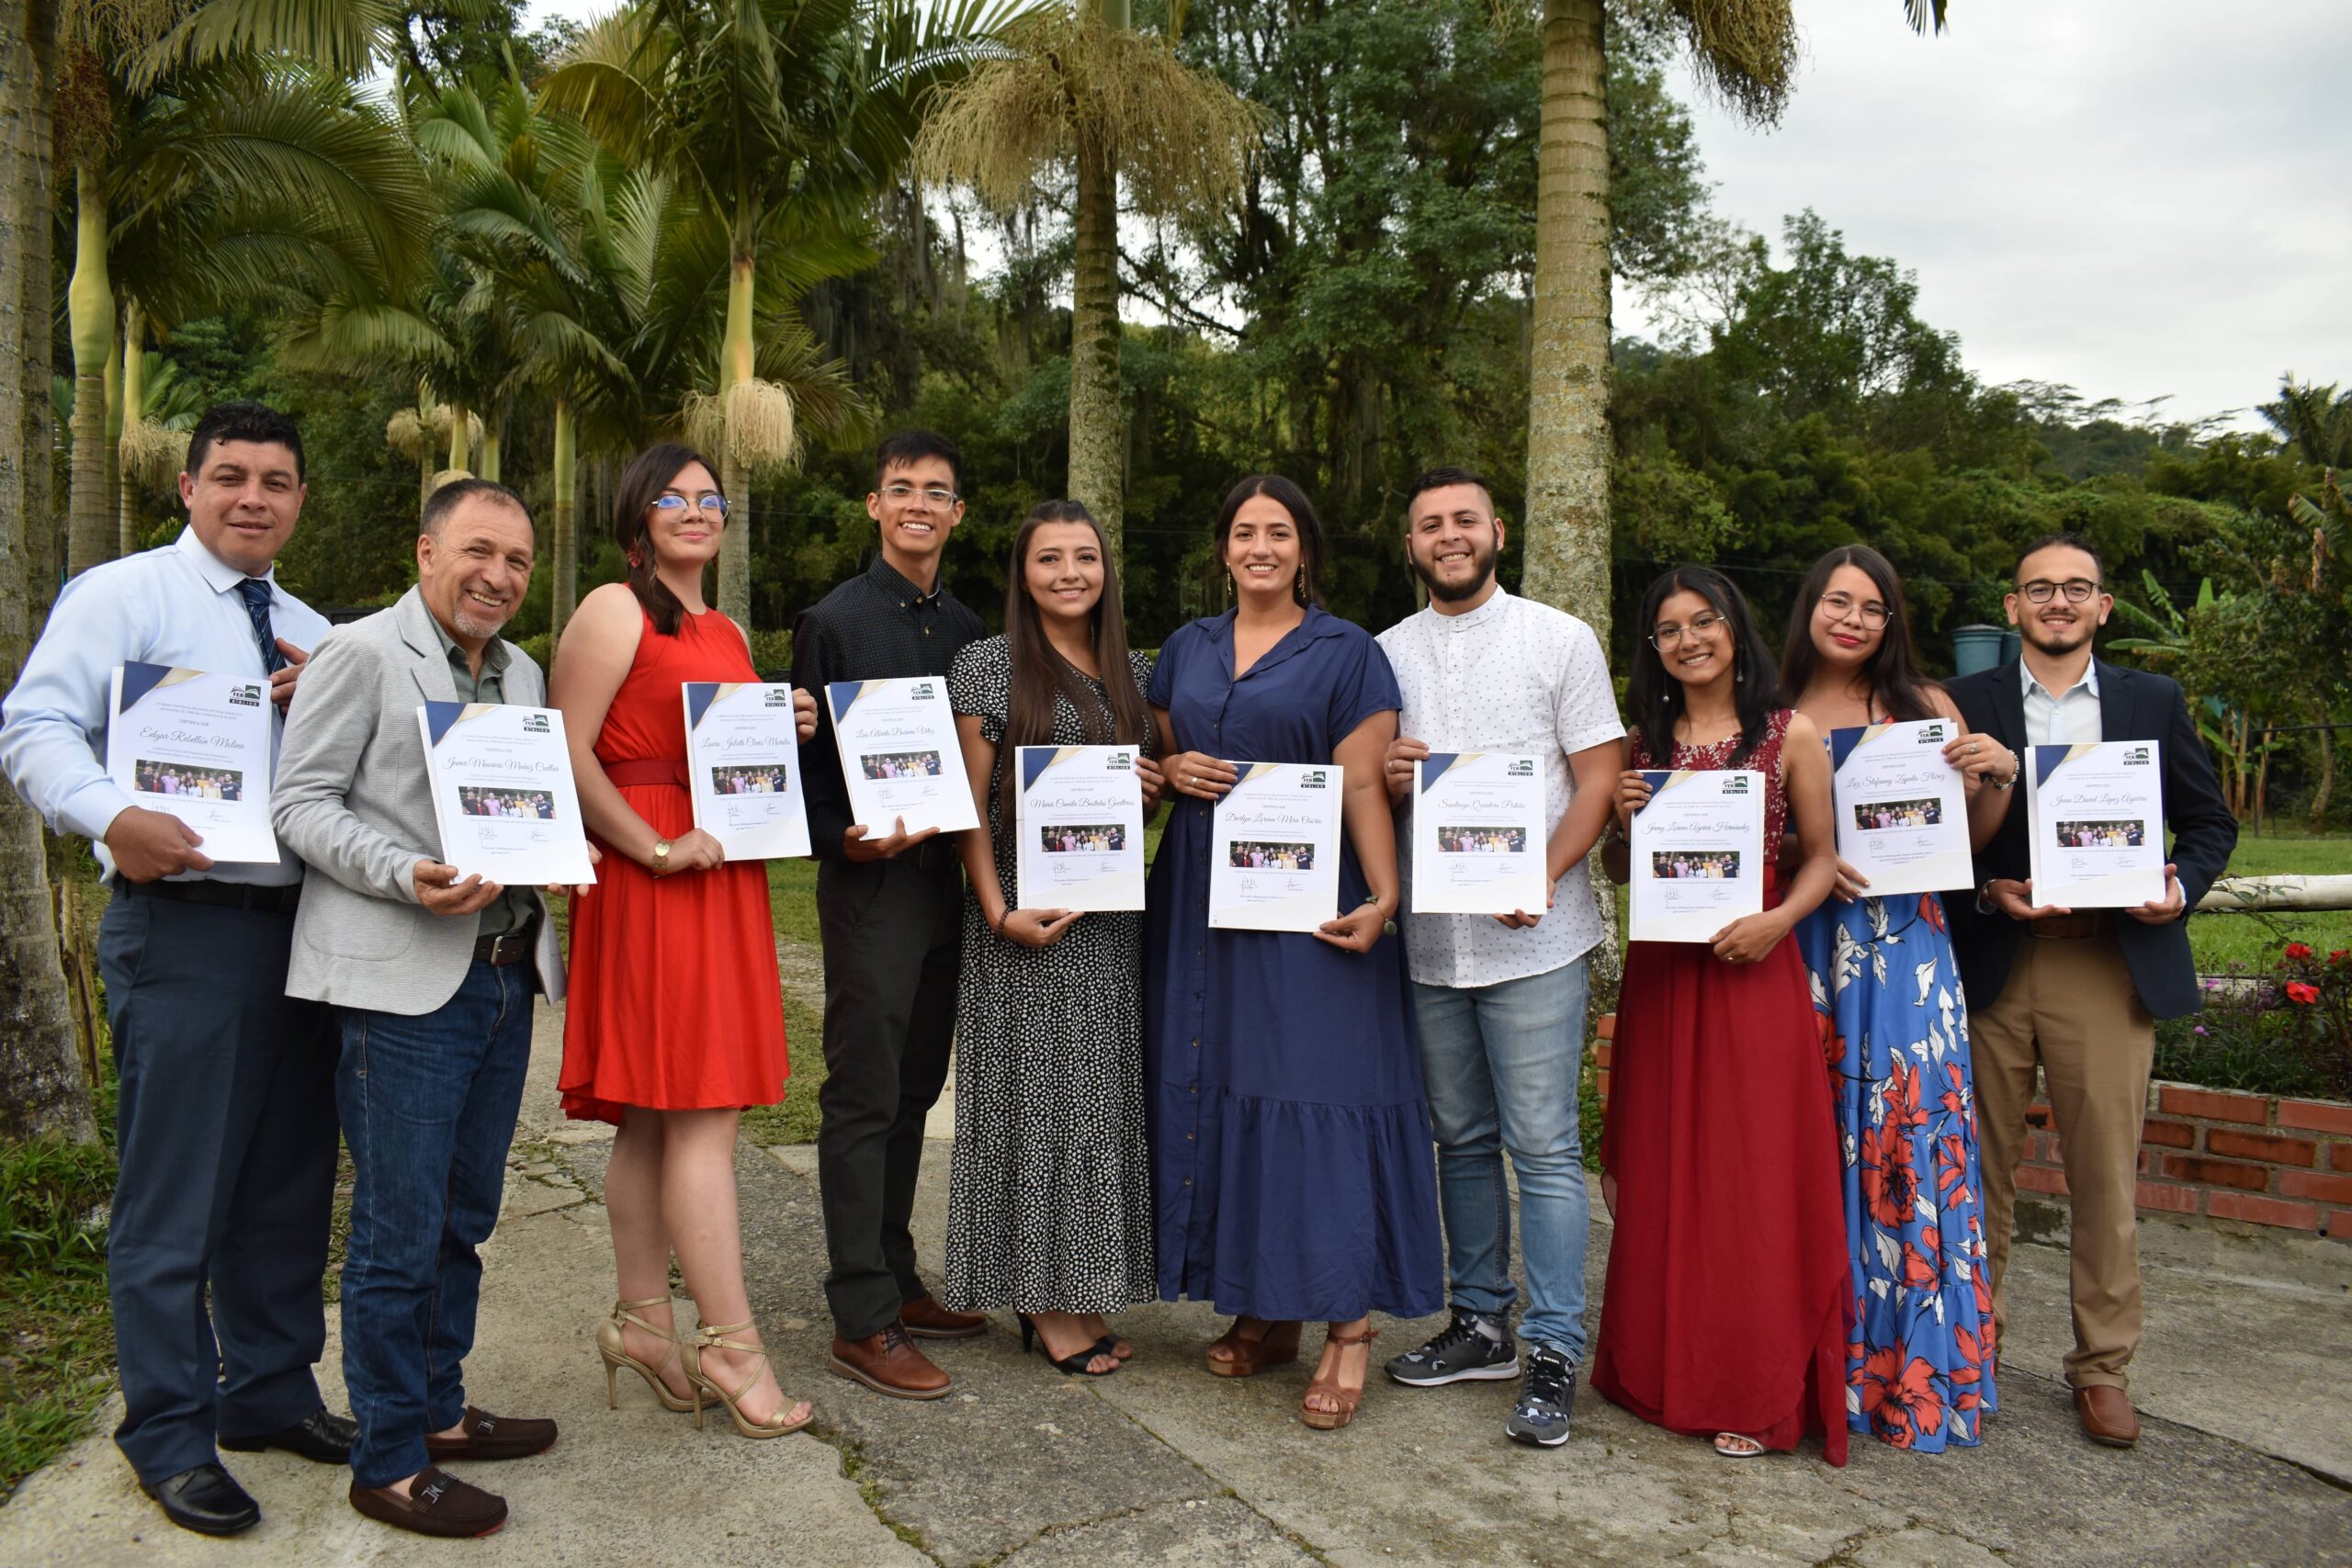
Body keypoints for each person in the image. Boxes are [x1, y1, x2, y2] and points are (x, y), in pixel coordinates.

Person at [0, 401, 345, 1538]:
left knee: (287, 1184)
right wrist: (112, 815)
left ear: (300, 500)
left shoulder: (311, 629)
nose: (254, 497)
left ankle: (271, 1393)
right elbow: (33, 727)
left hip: (301, 928)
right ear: (188, 487)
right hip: (185, 928)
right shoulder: (123, 596)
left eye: (276, 481)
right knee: (175, 1194)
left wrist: (325, 702)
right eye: (230, 476)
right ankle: (168, 1430)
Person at [272, 479, 576, 1538]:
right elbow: (300, 805)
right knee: (398, 1234)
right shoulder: (359, 653)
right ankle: (389, 1458)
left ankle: (440, 1409)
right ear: (427, 551)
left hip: (503, 975)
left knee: (465, 1216)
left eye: (518, 561)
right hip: (402, 982)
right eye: (479, 551)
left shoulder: (523, 672)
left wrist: (552, 851)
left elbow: (519, 805)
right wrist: (405, 873)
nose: (498, 576)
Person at [1147, 474, 1442, 1431]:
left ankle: (1346, 1325)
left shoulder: (1347, 651)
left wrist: (1384, 895)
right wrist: (1170, 768)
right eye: (1244, 532)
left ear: (1304, 549)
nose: (1260, 548)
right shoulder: (1186, 648)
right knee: (1228, 1093)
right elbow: (1161, 757)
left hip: (1307, 902)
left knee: (1314, 1095)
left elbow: (1361, 785)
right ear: (1223, 549)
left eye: (1278, 532)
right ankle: (1265, 1309)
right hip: (1200, 903)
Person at [1943, 532, 2236, 1450]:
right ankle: (1972, 1348)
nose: (2058, 601)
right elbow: (1927, 834)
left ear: (2102, 607)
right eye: (2040, 588)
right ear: (2013, 607)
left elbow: (2209, 822)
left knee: (2104, 1176)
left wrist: (2180, 889)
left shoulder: (2153, 701)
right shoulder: (1962, 703)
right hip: (1995, 960)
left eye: (2077, 588)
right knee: (1976, 1170)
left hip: (2108, 963)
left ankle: (2103, 1366)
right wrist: (1986, 888)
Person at [552, 445, 820, 1439]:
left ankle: (644, 1324)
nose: (697, 511)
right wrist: (652, 848)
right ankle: (732, 1346)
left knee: (655, 1119)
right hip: (655, 869)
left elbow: (716, 745)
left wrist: (780, 724)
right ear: (639, 514)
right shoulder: (612, 609)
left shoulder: (728, 628)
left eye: (711, 499)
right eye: (674, 497)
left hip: (719, 865)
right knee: (701, 1111)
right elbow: (567, 747)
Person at [1372, 467, 1622, 1449]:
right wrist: (1388, 774)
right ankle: (1481, 1323)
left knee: (1546, 1148)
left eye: (1464, 520)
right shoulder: (1383, 654)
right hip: (1434, 943)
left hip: (1536, 939)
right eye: (1429, 523)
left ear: (1497, 532)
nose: (1449, 535)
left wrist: (1545, 874)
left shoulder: (1560, 638)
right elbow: (1365, 787)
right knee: (1461, 1141)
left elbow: (1597, 777)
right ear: (1410, 544)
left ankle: (1555, 1343)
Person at [1596, 566, 1849, 1464]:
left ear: (1735, 628)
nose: (1688, 640)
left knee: (1751, 1174)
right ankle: (1661, 1370)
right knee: (1666, 1166)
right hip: (1666, 979)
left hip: (1753, 970)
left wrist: (1778, 922)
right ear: (1653, 649)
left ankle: (1753, 1385)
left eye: (1703, 621)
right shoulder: (1641, 744)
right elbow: (1621, 872)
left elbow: (1823, 859)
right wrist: (1622, 823)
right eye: (1668, 629)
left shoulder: (1790, 733)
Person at [1779, 544, 2015, 1452]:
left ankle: (1904, 1374)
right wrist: (1810, 856)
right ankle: (1803, 1369)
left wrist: (1990, 777)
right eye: (1836, 601)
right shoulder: (1774, 707)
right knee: (1807, 1135)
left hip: (1908, 948)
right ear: (1808, 607)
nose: (1852, 619)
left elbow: (1969, 841)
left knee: (1903, 1135)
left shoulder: (1925, 707)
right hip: (1803, 941)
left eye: (1871, 607)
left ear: (1891, 621)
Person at [944, 501, 1164, 1378]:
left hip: (1108, 924)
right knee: (1033, 1107)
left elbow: (1143, 798)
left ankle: (1081, 1281)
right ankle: (1040, 1295)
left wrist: (1149, 791)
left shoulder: (1135, 671)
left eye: (1085, 556)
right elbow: (968, 806)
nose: (1070, 572)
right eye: (1049, 558)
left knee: (1097, 1106)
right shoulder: (988, 666)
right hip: (1022, 923)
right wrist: (999, 910)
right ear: (1022, 573)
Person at [793, 431, 990, 1399]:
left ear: (958, 513)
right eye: (901, 488)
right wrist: (844, 839)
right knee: (865, 1092)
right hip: (872, 885)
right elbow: (800, 777)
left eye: (936, 491)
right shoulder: (831, 622)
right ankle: (861, 1315)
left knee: (915, 1088)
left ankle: (899, 1277)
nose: (919, 504)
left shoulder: (972, 631)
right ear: (874, 505)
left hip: (946, 882)